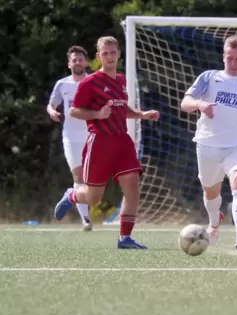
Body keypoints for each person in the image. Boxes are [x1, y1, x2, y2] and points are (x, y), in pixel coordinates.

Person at [54, 36, 160, 249]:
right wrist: (97, 114)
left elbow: (123, 108)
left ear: (119, 53)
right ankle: (72, 195)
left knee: (132, 189)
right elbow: (74, 111)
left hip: (122, 142)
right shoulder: (90, 83)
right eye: (105, 53)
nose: (110, 57)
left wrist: (142, 114)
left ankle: (125, 238)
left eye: (113, 52)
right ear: (98, 57)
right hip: (99, 143)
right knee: (93, 197)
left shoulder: (121, 80)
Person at [180, 36, 237, 251]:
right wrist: (200, 104)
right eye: (229, 58)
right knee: (211, 193)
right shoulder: (209, 77)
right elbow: (185, 102)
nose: (233, 63)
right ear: (223, 56)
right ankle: (214, 222)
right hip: (207, 145)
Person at [47, 46, 92, 231]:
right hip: (71, 137)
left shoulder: (93, 81)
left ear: (86, 62)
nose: (78, 62)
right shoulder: (62, 84)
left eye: (80, 59)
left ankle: (71, 194)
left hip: (92, 136)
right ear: (69, 63)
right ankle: (86, 220)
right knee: (79, 177)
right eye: (74, 60)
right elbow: (51, 104)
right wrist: (52, 112)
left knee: (94, 180)